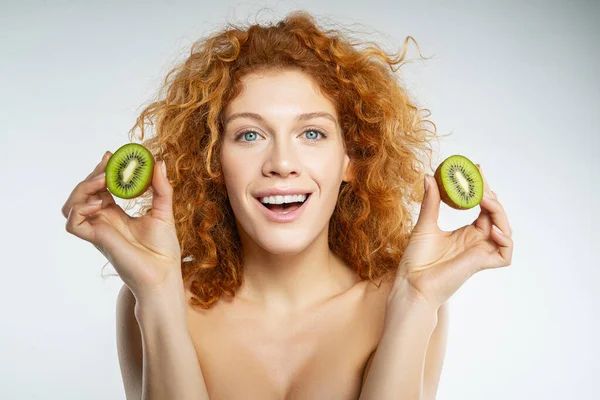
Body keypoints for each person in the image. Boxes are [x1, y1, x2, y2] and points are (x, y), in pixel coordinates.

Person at [62, 10, 513, 400]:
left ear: (350, 159)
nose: (281, 163)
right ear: (213, 161)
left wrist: (417, 302)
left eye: (311, 133)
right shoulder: (155, 295)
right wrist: (157, 296)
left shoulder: (405, 297)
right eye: (250, 135)